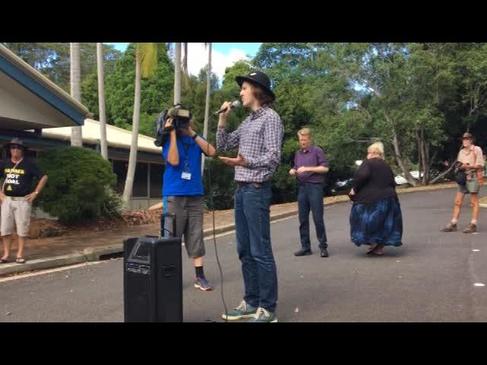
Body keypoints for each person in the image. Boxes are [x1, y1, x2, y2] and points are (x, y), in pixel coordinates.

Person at [217, 70, 283, 322]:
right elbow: (223, 145)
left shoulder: (271, 118)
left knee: (260, 250)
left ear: (257, 90)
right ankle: (251, 302)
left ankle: (267, 308)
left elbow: (273, 157)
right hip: (241, 190)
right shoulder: (247, 121)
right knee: (244, 250)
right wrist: (223, 120)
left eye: (244, 88)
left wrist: (246, 161)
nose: (240, 92)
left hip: (256, 190)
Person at [162, 109, 217, 291]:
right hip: (175, 194)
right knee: (171, 239)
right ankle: (169, 277)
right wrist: (171, 132)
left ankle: (199, 276)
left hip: (195, 195)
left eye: (185, 121)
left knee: (196, 235)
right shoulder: (168, 140)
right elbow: (174, 161)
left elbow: (212, 151)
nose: (183, 124)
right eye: (180, 121)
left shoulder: (195, 140)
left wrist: (192, 133)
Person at [349, 142, 403, 256]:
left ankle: (373, 244)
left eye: (368, 152)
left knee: (365, 221)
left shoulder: (368, 163)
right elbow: (392, 182)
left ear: (372, 153)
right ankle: (378, 247)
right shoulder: (386, 165)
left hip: (372, 200)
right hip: (389, 198)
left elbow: (361, 176)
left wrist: (354, 188)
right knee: (385, 224)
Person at [0, 138, 48, 264]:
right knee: (5, 229)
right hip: (7, 200)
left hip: (22, 201)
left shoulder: (29, 164)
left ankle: (20, 254)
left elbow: (43, 176)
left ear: (22, 151)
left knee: (22, 228)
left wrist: (35, 193)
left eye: (18, 148)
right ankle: (6, 254)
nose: (15, 150)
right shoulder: (4, 163)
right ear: (9, 150)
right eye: (13, 147)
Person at [289, 128, 330, 257]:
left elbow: (325, 168)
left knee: (317, 218)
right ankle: (305, 247)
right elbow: (297, 167)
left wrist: (308, 168)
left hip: (314, 187)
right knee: (302, 219)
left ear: (310, 139)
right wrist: (293, 170)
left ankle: (323, 246)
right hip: (302, 187)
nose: (303, 142)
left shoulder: (317, 151)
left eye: (305, 139)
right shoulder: (298, 153)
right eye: (301, 140)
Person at [441, 132, 484, 233]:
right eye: (464, 139)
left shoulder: (476, 150)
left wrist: (468, 166)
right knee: (457, 201)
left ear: (471, 140)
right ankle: (453, 223)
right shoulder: (461, 152)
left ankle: (473, 224)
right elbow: (459, 164)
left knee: (474, 201)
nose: (465, 141)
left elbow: (480, 165)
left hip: (473, 177)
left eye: (467, 139)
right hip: (463, 178)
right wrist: (459, 167)